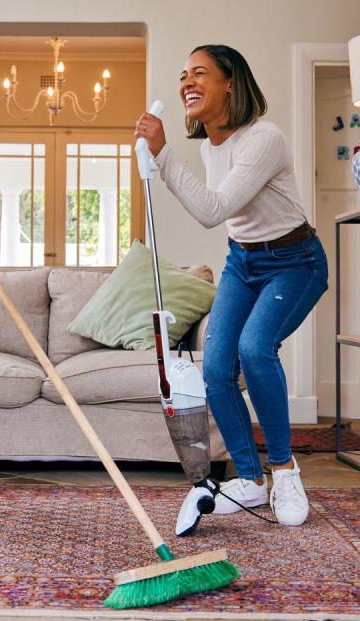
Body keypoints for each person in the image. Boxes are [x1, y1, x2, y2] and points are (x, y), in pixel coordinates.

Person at [134, 45, 328, 526]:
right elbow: (225, 216)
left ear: (231, 84)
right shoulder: (210, 146)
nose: (186, 82)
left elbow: (212, 210)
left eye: (199, 72)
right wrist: (164, 158)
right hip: (242, 262)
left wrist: (162, 153)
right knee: (217, 368)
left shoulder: (265, 139)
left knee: (255, 349)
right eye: (183, 75)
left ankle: (284, 471)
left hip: (295, 262)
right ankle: (250, 479)